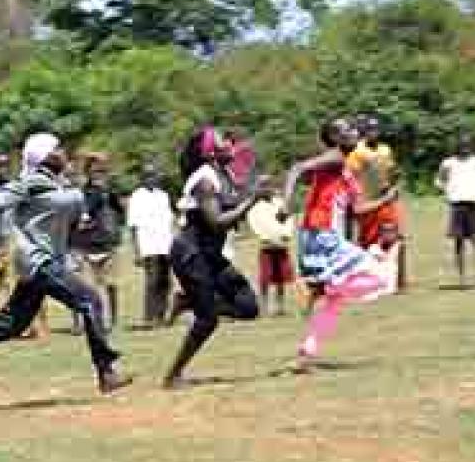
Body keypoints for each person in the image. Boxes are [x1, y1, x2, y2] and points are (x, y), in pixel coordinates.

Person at [0, 133, 132, 395]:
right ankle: (106, 372)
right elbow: (0, 200)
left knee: (11, 325)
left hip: (48, 260)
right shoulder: (31, 182)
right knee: (90, 300)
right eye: (57, 149)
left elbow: (74, 222)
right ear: (44, 157)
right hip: (36, 260)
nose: (63, 152)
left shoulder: (60, 184)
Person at [281, 118, 399, 365]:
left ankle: (306, 353)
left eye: (354, 128)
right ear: (334, 139)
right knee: (381, 277)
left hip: (321, 235)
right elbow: (297, 169)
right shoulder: (335, 158)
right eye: (346, 129)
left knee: (336, 301)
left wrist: (386, 198)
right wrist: (286, 203)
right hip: (321, 234)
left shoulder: (346, 169)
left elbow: (359, 208)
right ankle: (317, 287)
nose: (355, 131)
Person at [162, 126, 267, 389]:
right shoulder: (205, 180)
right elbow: (217, 222)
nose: (231, 144)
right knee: (208, 320)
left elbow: (234, 201)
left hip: (209, 254)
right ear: (210, 152)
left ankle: (191, 302)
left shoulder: (224, 175)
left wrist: (254, 190)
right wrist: (253, 199)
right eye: (223, 141)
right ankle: (172, 376)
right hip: (190, 253)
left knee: (248, 307)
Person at [346, 116, 407, 292]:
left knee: (396, 238)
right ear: (364, 132)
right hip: (367, 202)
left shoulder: (385, 149)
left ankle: (399, 282)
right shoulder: (358, 152)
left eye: (377, 129)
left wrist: (394, 185)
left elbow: (391, 171)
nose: (374, 133)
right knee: (368, 242)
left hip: (386, 200)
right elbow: (352, 178)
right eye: (370, 130)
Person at [71, 153, 126, 333]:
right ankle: (81, 323)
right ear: (88, 172)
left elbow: (121, 212)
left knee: (111, 285)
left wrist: (110, 195)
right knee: (83, 287)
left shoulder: (110, 192)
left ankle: (114, 322)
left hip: (107, 244)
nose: (99, 175)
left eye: (102, 171)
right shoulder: (81, 193)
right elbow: (81, 216)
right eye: (95, 171)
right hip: (84, 246)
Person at [435, 135, 475, 288]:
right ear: (457, 146)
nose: (464, 148)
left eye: (467, 146)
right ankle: (462, 278)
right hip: (457, 204)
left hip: (474, 204)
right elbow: (438, 180)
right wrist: (446, 189)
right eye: (462, 145)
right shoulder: (448, 163)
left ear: (471, 147)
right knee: (459, 242)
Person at [126, 163, 174, 329]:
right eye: (149, 176)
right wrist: (137, 251)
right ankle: (149, 317)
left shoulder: (163, 196)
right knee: (152, 281)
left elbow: (169, 221)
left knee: (166, 281)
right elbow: (132, 225)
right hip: (148, 245)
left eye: (154, 176)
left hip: (165, 244)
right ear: (143, 178)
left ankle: (161, 316)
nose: (152, 179)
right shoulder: (137, 197)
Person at [247, 185, 294, 317]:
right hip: (266, 247)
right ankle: (263, 307)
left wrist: (287, 233)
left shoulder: (279, 203)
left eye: (269, 186)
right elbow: (255, 223)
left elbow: (288, 218)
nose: (268, 189)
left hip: (281, 245)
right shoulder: (256, 208)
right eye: (264, 186)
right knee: (265, 278)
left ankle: (280, 306)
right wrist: (264, 237)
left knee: (281, 278)